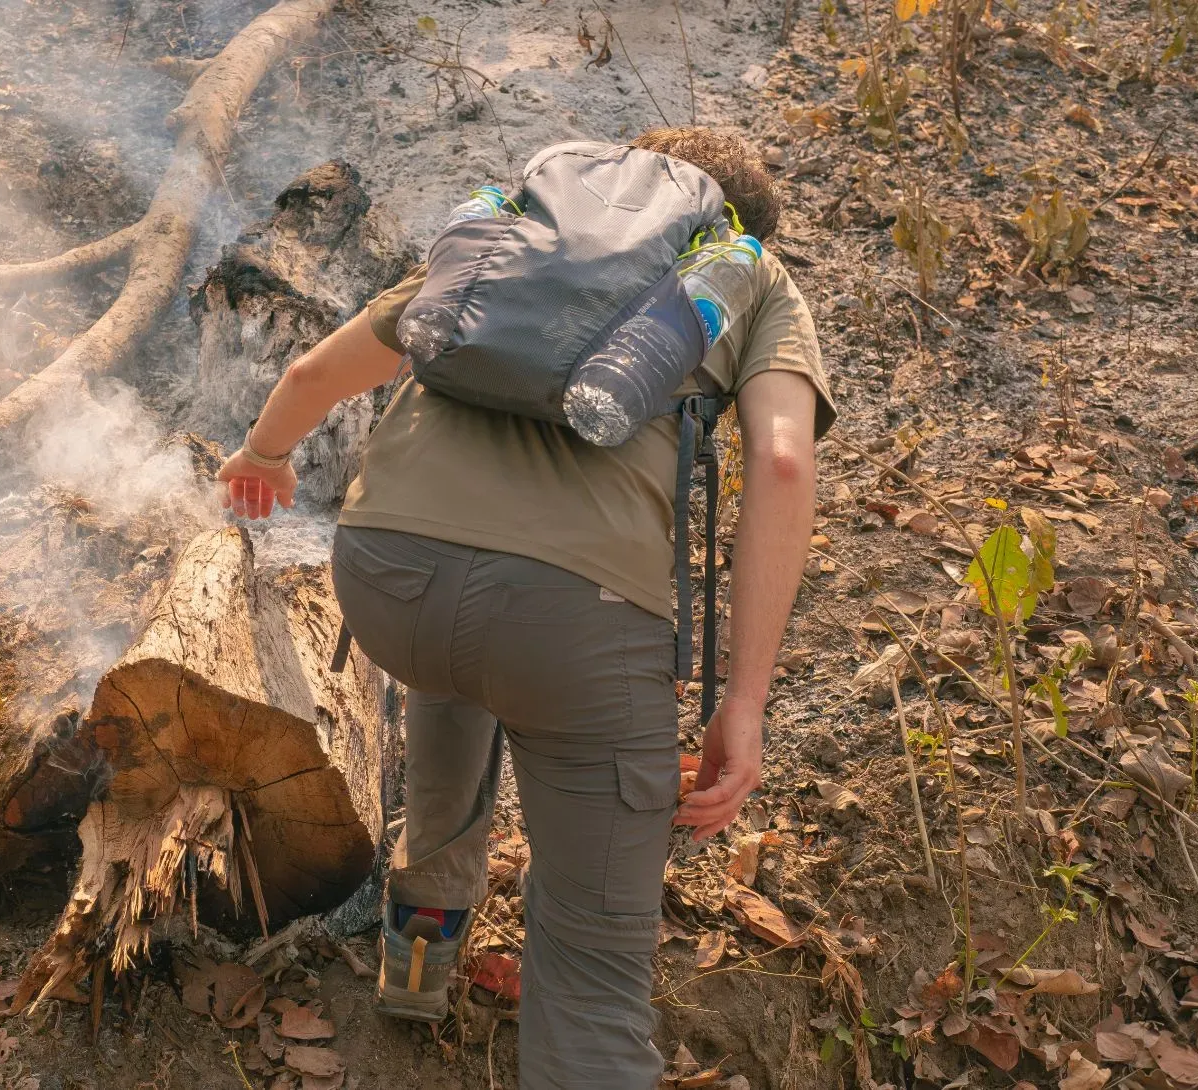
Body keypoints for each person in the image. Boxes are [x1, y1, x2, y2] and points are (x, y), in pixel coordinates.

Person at [214, 127, 835, 1088]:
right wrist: (744, 700)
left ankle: (420, 950)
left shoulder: (516, 237)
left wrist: (262, 456)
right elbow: (784, 463)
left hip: (388, 579)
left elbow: (312, 377)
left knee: (460, 660)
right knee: (592, 977)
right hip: (570, 625)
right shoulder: (754, 280)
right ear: (743, 234)